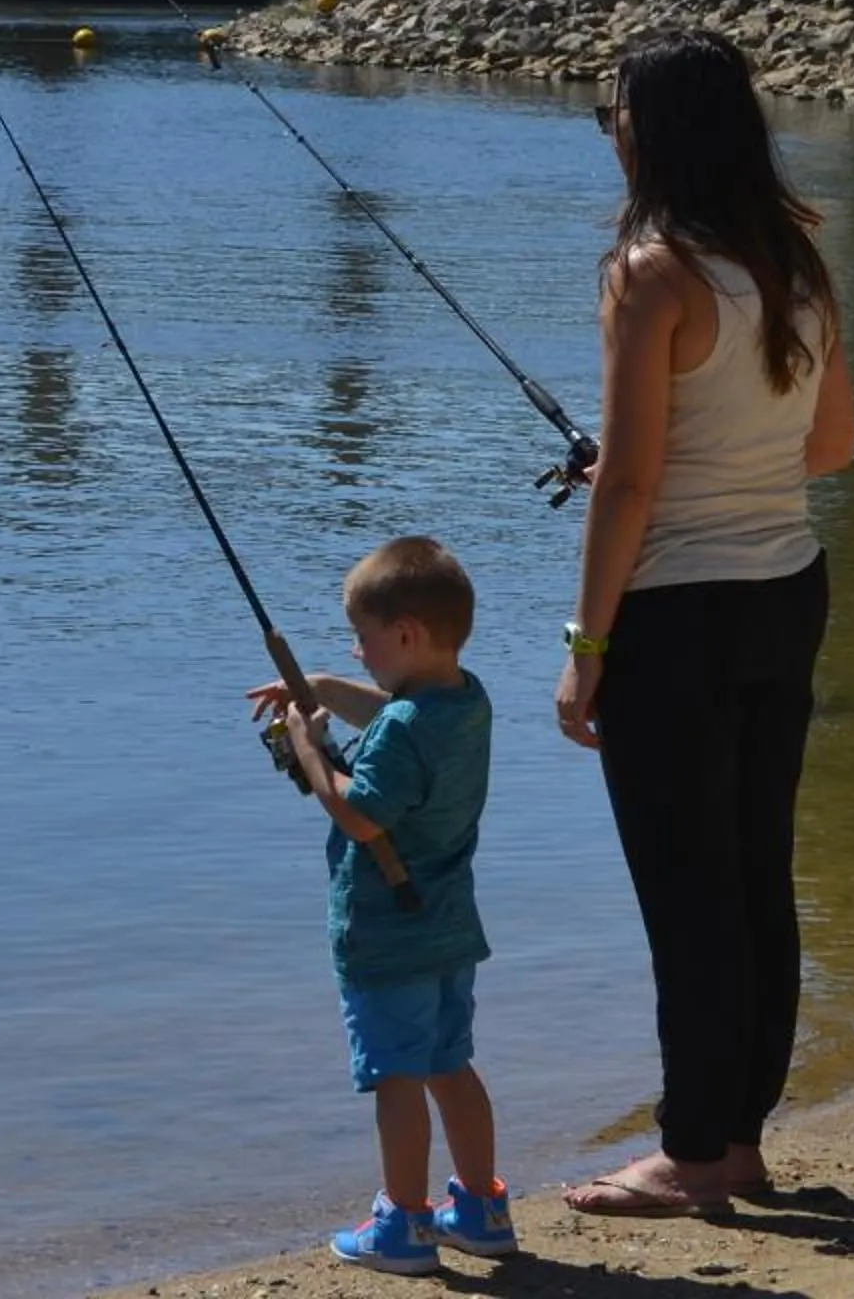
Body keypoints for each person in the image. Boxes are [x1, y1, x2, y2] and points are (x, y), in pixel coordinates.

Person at [556, 28, 854, 1218]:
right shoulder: (796, 261)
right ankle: (736, 1138)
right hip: (789, 588)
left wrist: (586, 653)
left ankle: (689, 1155)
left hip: (676, 614)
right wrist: (708, 467)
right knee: (754, 872)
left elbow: (630, 484)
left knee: (687, 889)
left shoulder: (650, 271)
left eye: (614, 109)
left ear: (658, 129)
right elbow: (826, 445)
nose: (611, 127)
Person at [250, 535, 513, 1274]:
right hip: (450, 927)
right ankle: (482, 1209)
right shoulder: (466, 702)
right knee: (450, 1064)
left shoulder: (404, 727)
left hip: (388, 931)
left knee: (395, 1077)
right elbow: (399, 719)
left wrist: (307, 743)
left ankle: (404, 1224)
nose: (360, 654)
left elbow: (361, 814)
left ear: (406, 634)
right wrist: (325, 687)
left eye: (363, 641)